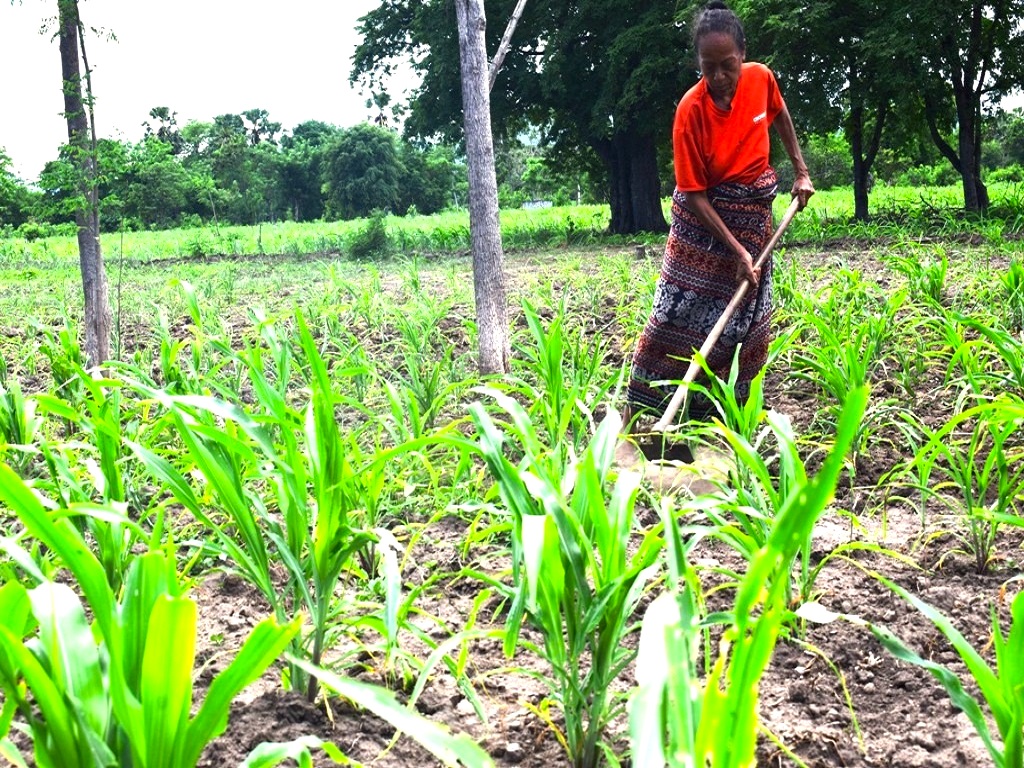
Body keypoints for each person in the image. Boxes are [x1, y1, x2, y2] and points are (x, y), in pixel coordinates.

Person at [618, 0, 814, 456]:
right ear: (699, 65)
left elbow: (780, 113)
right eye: (710, 68)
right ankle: (642, 410)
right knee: (672, 316)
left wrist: (801, 171)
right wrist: (734, 250)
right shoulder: (690, 111)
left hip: (754, 220)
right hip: (700, 229)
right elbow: (694, 194)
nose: (721, 77)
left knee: (743, 322)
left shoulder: (762, 79)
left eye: (728, 66)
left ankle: (722, 418)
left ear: (742, 55)